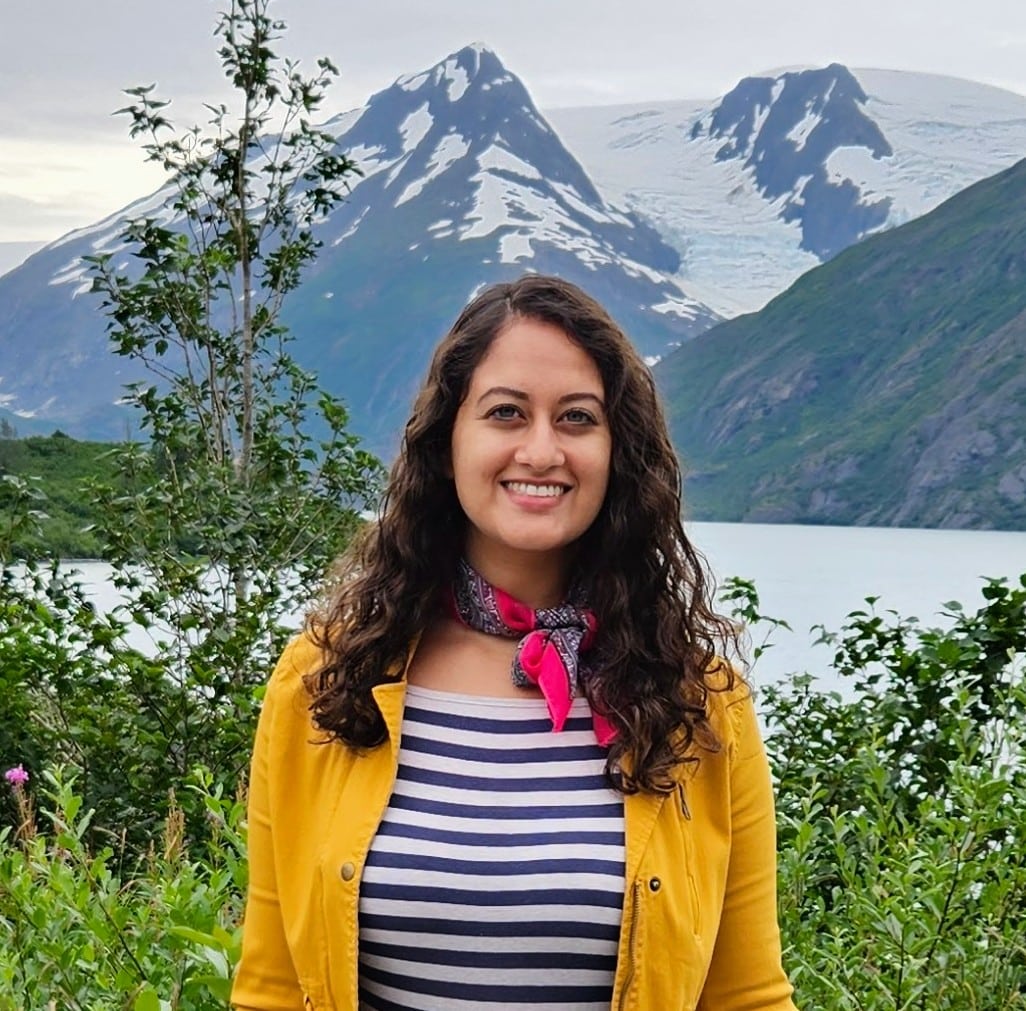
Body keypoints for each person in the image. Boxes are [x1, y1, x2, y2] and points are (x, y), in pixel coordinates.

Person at [231, 274, 798, 1011]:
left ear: (615, 450)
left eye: (576, 418)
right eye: (505, 413)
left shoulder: (698, 701)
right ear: (446, 442)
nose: (541, 449)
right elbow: (270, 989)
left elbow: (747, 994)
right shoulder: (327, 678)